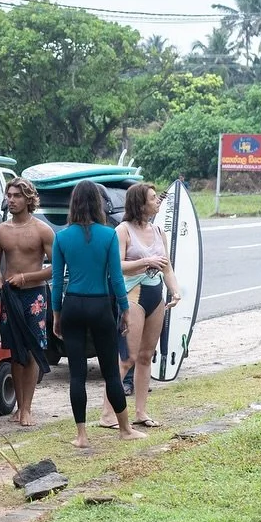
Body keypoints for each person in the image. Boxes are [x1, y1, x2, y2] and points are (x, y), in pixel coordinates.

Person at [51, 180, 146, 448]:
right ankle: (125, 429)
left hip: (72, 304)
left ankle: (81, 436)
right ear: (98, 204)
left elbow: (57, 281)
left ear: (73, 204)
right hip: (100, 305)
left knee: (77, 374)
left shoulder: (62, 237)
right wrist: (124, 309)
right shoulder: (108, 235)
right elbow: (116, 278)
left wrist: (57, 314)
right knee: (111, 372)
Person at [99, 182, 179, 430]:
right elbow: (116, 265)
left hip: (156, 294)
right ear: (140, 204)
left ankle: (141, 411)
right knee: (127, 357)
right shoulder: (122, 230)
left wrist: (175, 290)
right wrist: (146, 261)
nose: (157, 202)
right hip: (132, 294)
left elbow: (166, 266)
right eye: (153, 198)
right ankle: (107, 413)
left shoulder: (158, 231)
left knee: (146, 356)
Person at [0, 178, 54, 427]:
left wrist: (26, 277)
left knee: (33, 349)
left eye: (17, 196)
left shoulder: (42, 230)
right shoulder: (0, 231)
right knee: (15, 351)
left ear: (28, 199)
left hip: (35, 294)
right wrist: (1, 288)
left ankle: (27, 408)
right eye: (9, 195)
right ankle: (18, 407)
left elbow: (55, 267)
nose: (12, 200)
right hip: (10, 296)